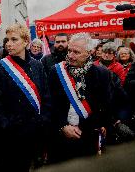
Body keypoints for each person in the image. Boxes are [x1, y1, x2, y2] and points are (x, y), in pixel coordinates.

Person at [47, 33, 130, 162]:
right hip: (60, 137)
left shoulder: (102, 74)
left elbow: (105, 106)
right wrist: (63, 126)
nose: (70, 55)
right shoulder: (56, 71)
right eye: (69, 50)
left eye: (76, 52)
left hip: (89, 136)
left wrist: (85, 128)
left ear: (89, 53)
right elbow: (50, 104)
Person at [0, 23, 51, 172]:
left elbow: (46, 95)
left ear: (25, 42)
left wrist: (43, 119)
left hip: (35, 131)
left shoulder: (37, 66)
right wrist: (6, 126)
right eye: (7, 40)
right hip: (12, 136)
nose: (8, 44)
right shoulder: (0, 67)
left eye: (14, 39)